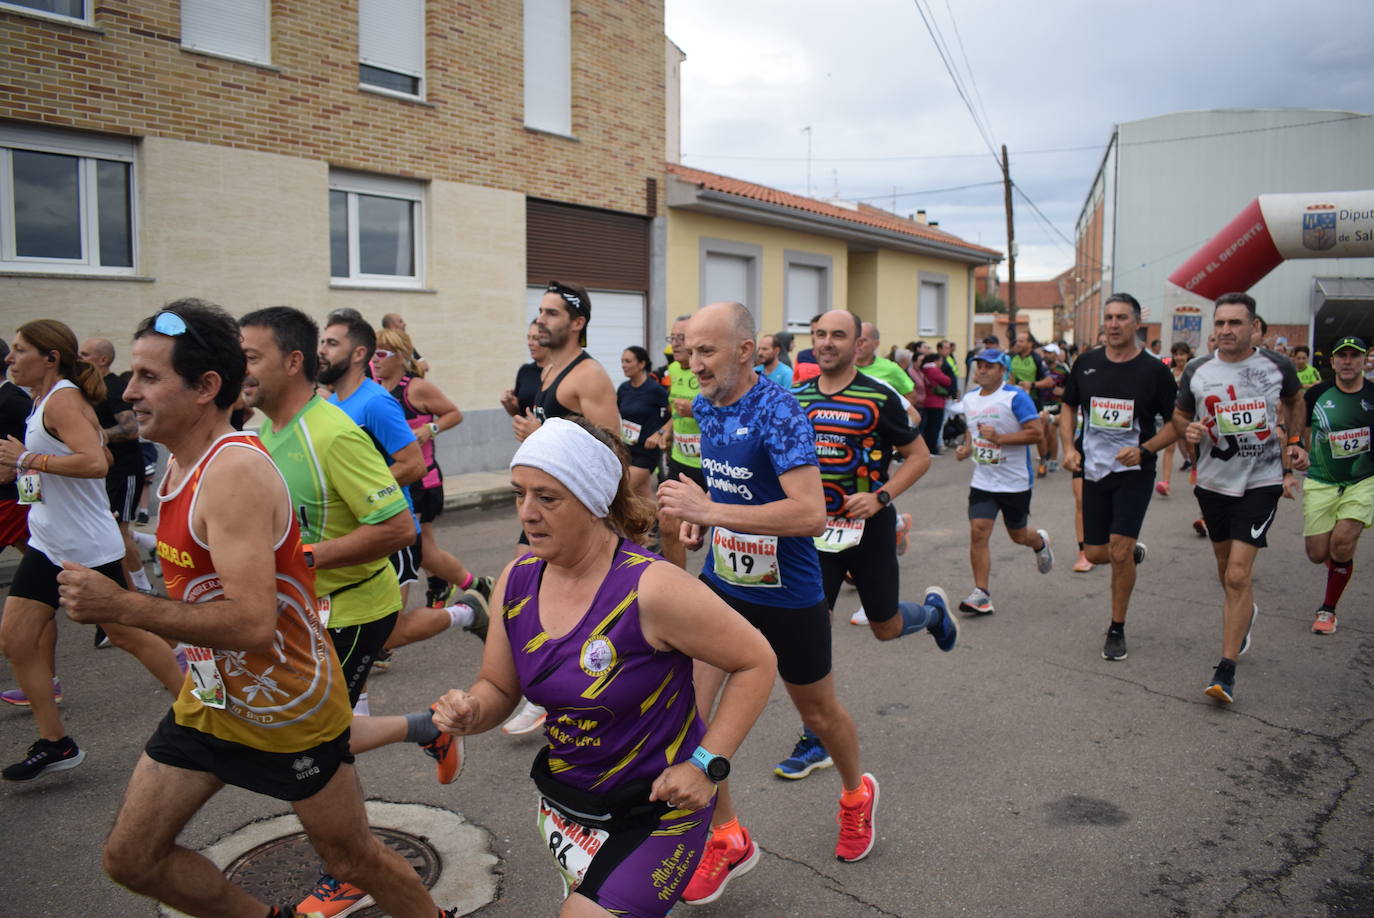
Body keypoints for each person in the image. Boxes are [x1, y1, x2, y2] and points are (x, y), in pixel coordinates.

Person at [54, 301, 450, 918]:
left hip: (287, 704)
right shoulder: (182, 461)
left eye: (149, 377)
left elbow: (250, 622)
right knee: (132, 858)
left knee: (352, 861)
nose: (128, 391)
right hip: (213, 700)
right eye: (134, 374)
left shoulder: (233, 469)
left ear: (206, 387)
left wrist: (124, 606)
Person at [430, 417, 774, 917]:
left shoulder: (651, 588)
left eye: (547, 498)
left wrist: (707, 766)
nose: (527, 513)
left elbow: (756, 660)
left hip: (658, 812)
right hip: (569, 808)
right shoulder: (518, 579)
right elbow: (498, 686)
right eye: (519, 494)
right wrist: (470, 710)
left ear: (593, 502)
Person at [239, 306, 472, 916]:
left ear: (294, 362)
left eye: (251, 357)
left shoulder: (342, 424)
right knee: (317, 733)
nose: (241, 369)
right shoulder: (265, 434)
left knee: (312, 746)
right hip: (309, 605)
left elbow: (398, 514)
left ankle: (350, 870)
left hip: (350, 605)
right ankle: (427, 727)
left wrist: (303, 557)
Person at [657, 301, 878, 906]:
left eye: (706, 351)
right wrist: (702, 514)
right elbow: (724, 483)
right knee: (691, 714)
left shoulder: (779, 411)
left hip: (790, 593)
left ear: (746, 352)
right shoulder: (705, 405)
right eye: (688, 350)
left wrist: (711, 511)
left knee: (819, 715)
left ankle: (856, 793)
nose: (692, 362)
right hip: (725, 584)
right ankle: (726, 836)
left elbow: (809, 514)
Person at [0, 320, 183, 780]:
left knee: (126, 634)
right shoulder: (41, 399)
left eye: (19, 350)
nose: (10, 358)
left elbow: (95, 462)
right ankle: (56, 742)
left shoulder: (61, 398)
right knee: (16, 639)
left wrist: (26, 459)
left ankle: (201, 712)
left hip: (85, 545)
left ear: (50, 357)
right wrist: (27, 473)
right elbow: (73, 454)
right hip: (48, 540)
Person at [783, 309, 957, 772]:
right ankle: (814, 736)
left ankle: (934, 614)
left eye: (837, 335)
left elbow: (919, 457)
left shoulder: (881, 397)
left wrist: (880, 497)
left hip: (868, 527)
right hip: (814, 533)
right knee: (809, 628)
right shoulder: (795, 396)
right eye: (819, 334)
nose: (826, 342)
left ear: (858, 343)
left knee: (885, 626)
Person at [1176, 292, 1305, 704]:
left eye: (1235, 323)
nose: (1226, 331)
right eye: (1220, 323)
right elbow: (1181, 415)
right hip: (1213, 482)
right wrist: (1189, 434)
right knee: (1223, 566)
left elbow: (1295, 399)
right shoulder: (1197, 370)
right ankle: (1243, 612)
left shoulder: (1276, 365)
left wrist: (1296, 441)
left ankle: (1225, 670)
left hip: (1261, 481)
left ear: (1253, 327)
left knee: (1236, 573)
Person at [1059, 293, 1178, 663]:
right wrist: (1068, 447)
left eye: (1121, 318)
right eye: (1108, 317)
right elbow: (1068, 404)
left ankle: (1116, 626)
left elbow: (1177, 422)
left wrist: (1145, 450)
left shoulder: (1154, 371)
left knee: (1119, 550)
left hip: (1133, 471)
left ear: (1136, 323)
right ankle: (1127, 552)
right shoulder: (1087, 362)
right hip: (1093, 468)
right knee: (1096, 553)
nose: (1113, 324)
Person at [371, 327, 492, 615]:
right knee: (416, 547)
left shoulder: (415, 387)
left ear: (400, 357)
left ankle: (472, 585)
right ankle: (450, 584)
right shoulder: (374, 387)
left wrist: (429, 429)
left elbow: (454, 413)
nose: (374, 360)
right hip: (393, 478)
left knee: (416, 548)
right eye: (372, 354)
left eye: (381, 354)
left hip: (422, 481)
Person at [953, 348, 1054, 614]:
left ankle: (1039, 542)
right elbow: (972, 431)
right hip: (983, 480)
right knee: (978, 532)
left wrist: (1000, 438)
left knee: (1018, 535)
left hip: (1015, 481)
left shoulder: (1015, 397)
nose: (982, 370)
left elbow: (1036, 433)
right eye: (979, 365)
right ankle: (981, 593)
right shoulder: (970, 399)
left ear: (1002, 370)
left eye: (989, 366)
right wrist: (966, 449)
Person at [1299, 336, 1374, 635]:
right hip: (1321, 480)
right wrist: (1298, 452)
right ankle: (1338, 562)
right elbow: (1302, 431)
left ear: (1364, 361)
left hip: (1363, 480)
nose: (1347, 361)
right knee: (1318, 553)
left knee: (1342, 543)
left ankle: (1328, 609)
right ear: (1331, 362)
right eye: (1340, 356)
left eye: (1353, 356)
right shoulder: (1316, 394)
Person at [79, 337, 155, 599]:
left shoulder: (115, 388)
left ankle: (142, 586)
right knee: (107, 527)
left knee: (118, 530)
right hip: (104, 472)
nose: (79, 358)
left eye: (85, 354)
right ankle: (149, 544)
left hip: (125, 470)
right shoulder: (91, 389)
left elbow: (131, 429)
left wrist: (96, 437)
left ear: (102, 359)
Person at [513, 281, 620, 438]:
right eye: (541, 311)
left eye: (552, 313)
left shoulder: (590, 376)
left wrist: (539, 435)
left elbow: (613, 452)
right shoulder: (547, 370)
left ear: (577, 323)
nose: (540, 320)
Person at [645, 315, 703, 571]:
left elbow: (728, 413)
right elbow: (674, 410)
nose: (675, 345)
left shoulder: (708, 369)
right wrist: (666, 430)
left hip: (711, 465)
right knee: (668, 525)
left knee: (714, 533)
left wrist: (696, 411)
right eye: (673, 338)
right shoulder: (675, 370)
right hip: (681, 460)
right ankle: (677, 587)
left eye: (682, 338)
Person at [616, 344, 669, 509]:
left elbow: (673, 416)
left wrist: (659, 433)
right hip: (627, 449)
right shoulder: (623, 389)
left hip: (646, 451)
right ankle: (663, 526)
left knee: (621, 492)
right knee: (644, 496)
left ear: (641, 364)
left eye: (628, 361)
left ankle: (626, 532)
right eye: (622, 361)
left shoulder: (655, 390)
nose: (623, 365)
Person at [1155, 342, 1194, 497]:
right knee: (1169, 447)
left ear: (1188, 355)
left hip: (1189, 416)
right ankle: (1165, 482)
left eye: (1182, 354)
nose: (1178, 357)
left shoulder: (1193, 371)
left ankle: (1199, 475)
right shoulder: (1169, 371)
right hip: (1171, 415)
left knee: (1191, 449)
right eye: (1176, 354)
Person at [501, 321, 549, 420]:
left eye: (536, 338)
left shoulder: (562, 372)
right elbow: (519, 413)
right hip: (529, 435)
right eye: (528, 338)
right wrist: (510, 404)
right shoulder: (525, 371)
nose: (530, 343)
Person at [917, 352, 953, 455]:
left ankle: (929, 448)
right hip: (936, 402)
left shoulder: (924, 369)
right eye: (940, 360)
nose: (941, 363)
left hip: (926, 402)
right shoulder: (933, 370)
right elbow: (947, 381)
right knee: (935, 427)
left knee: (928, 427)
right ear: (936, 361)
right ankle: (932, 449)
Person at [379, 312, 429, 376]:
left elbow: (425, 366)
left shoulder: (406, 344)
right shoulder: (385, 344)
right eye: (400, 321)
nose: (405, 324)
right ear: (392, 326)